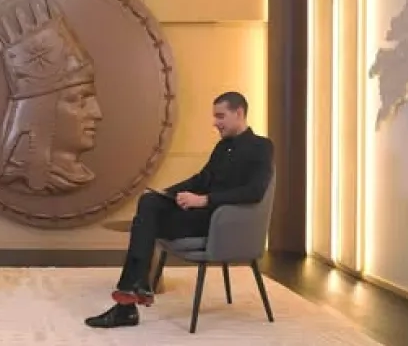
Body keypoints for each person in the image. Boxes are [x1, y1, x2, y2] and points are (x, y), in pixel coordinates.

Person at [84, 91, 274, 329]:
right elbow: (201, 179)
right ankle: (135, 290)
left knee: (144, 224)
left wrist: (204, 200)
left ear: (239, 113)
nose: (215, 122)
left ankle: (129, 300)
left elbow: (254, 191)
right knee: (149, 203)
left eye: (220, 116)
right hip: (201, 215)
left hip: (222, 222)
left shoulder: (261, 147)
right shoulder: (222, 147)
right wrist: (168, 193)